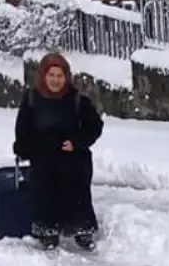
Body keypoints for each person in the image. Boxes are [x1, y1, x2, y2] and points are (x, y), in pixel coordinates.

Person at [13, 52, 104, 250]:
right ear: (43, 75)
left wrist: (77, 142)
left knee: (77, 193)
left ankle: (81, 229)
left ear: (67, 77)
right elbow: (22, 129)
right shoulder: (31, 98)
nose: (55, 80)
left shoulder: (77, 99)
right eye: (51, 75)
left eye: (60, 75)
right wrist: (27, 147)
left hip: (73, 157)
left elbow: (94, 126)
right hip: (44, 157)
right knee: (45, 193)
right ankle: (47, 231)